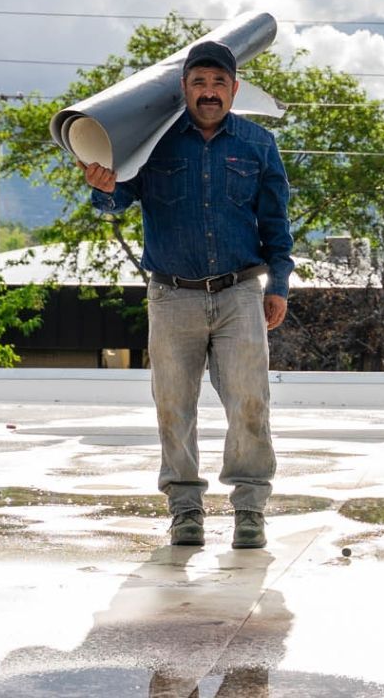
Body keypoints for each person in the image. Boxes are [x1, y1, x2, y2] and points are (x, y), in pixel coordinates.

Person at [81, 39, 292, 550]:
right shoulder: (153, 141)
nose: (209, 92)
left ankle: (249, 510)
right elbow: (115, 201)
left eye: (219, 82)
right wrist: (102, 185)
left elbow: (276, 223)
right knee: (173, 406)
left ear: (234, 89)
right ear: (184, 89)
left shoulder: (259, 144)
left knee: (249, 403)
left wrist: (279, 286)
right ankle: (185, 510)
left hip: (240, 293)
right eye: (199, 82)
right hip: (172, 295)